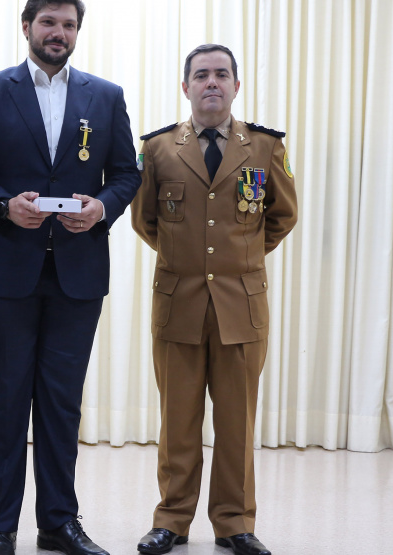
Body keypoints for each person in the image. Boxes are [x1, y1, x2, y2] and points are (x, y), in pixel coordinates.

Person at [0, 1, 141, 554]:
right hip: (6, 272)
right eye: (49, 23)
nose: (59, 33)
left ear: (78, 32)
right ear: (27, 27)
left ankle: (59, 522)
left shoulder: (105, 96)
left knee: (61, 402)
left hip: (77, 275)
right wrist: (4, 205)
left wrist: (101, 207)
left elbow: (126, 173)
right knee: (6, 401)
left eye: (69, 25)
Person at [130, 44, 298, 555]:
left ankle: (235, 524)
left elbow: (282, 216)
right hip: (178, 303)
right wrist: (191, 261)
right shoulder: (158, 149)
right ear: (185, 87)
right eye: (201, 75)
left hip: (241, 306)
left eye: (221, 75)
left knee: (236, 423)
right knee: (177, 421)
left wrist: (236, 258)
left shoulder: (265, 148)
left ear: (236, 86)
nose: (211, 83)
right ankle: (172, 520)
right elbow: (145, 219)